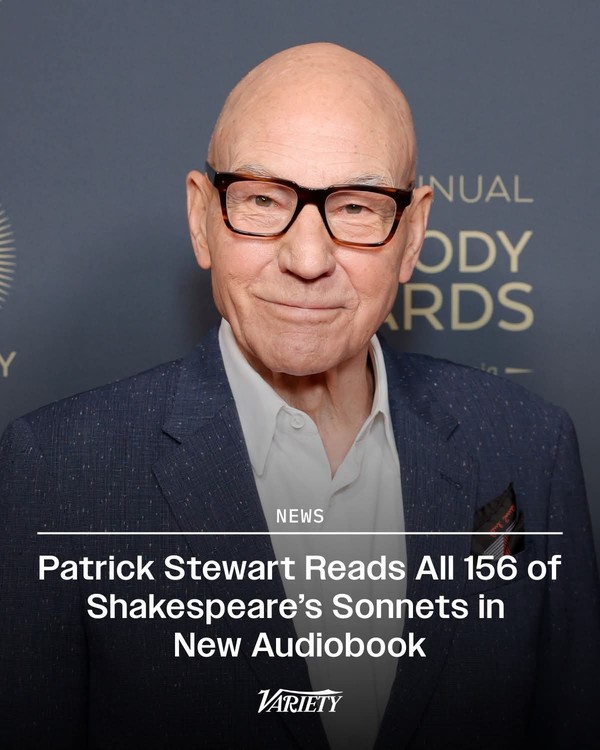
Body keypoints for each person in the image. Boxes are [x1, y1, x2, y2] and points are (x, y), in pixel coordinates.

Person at [1, 42, 599, 750]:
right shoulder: (61, 472)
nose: (308, 260)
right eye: (262, 200)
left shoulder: (528, 447)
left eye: (356, 206)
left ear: (412, 235)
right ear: (201, 217)